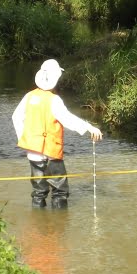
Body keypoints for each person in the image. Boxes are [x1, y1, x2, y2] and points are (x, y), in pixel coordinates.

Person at [12, 59, 103, 208]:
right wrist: (90, 128)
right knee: (59, 191)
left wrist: (24, 138)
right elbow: (68, 119)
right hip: (51, 152)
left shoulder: (29, 97)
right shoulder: (54, 100)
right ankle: (59, 227)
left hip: (33, 152)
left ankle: (38, 226)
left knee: (38, 191)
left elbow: (16, 117)